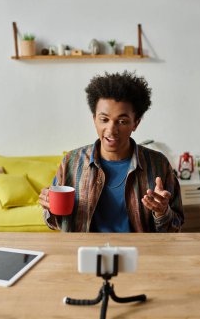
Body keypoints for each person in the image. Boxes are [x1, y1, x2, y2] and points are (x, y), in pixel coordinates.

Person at [39, 71, 184, 232]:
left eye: (122, 121)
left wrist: (162, 212)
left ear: (135, 123)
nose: (112, 130)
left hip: (139, 254)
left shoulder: (159, 164)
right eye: (104, 119)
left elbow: (175, 227)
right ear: (94, 119)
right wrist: (50, 208)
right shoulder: (71, 162)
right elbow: (54, 223)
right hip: (85, 253)